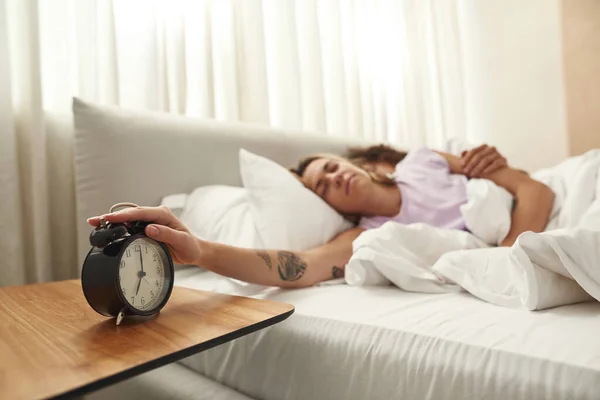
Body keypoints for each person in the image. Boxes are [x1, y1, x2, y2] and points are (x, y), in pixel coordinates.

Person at [87, 144, 555, 289]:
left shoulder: (424, 161)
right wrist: (201, 250)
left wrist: (510, 248)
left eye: (331, 167)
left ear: (357, 163)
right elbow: (296, 265)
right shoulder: (370, 236)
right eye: (321, 187)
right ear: (329, 207)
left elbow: (533, 187)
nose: (332, 178)